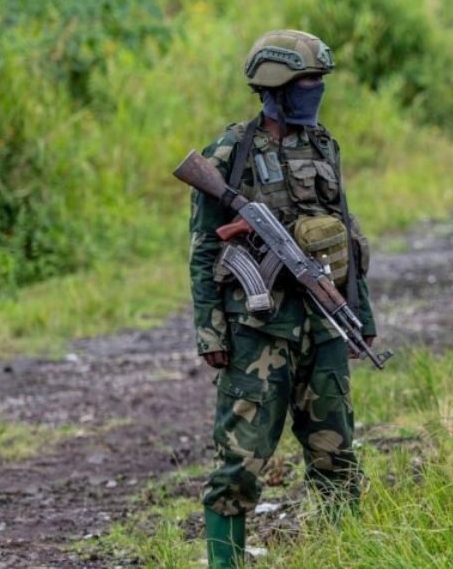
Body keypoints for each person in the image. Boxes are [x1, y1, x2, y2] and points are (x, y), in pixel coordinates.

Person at [189, 30, 376, 566]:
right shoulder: (229, 152)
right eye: (306, 82)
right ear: (275, 86)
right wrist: (210, 331)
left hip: (324, 325)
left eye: (319, 81)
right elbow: (205, 248)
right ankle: (225, 561)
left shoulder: (323, 145)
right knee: (240, 460)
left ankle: (350, 552)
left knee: (336, 452)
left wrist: (361, 317)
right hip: (257, 330)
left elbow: (347, 235)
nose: (315, 91)